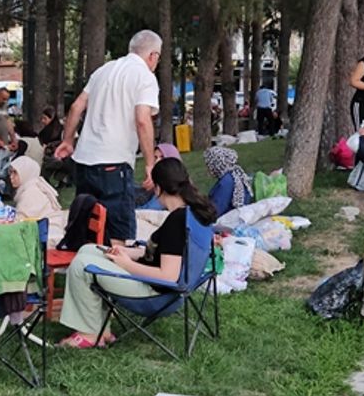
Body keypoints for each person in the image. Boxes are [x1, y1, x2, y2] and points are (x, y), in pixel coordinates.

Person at [57, 158, 217, 349]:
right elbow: (167, 253)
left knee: (81, 265)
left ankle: (90, 334)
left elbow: (169, 275)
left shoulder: (177, 222)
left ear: (158, 188)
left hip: (156, 296)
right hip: (168, 289)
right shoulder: (194, 214)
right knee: (88, 250)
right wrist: (127, 252)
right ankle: (101, 330)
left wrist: (126, 264)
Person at [55, 30, 162, 245]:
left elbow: (76, 107)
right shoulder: (145, 77)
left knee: (88, 227)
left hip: (84, 161)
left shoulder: (103, 70)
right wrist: (150, 163)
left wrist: (67, 141)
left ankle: (87, 262)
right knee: (117, 235)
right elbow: (142, 120)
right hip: (114, 163)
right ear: (153, 55)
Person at [203, 146, 254, 217]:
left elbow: (216, 210)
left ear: (216, 165)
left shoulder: (226, 183)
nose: (208, 168)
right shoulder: (235, 175)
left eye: (209, 165)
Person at [8, 156, 61, 222]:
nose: (11, 176)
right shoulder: (33, 186)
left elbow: (20, 222)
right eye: (11, 172)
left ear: (25, 173)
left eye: (15, 173)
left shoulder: (31, 193)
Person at [139, 144, 183, 210]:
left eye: (162, 157)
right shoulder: (154, 185)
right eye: (155, 157)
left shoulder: (174, 188)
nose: (157, 161)